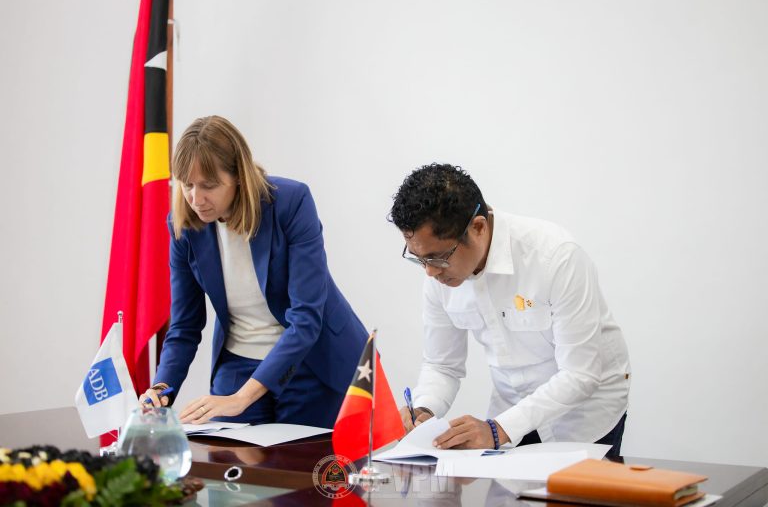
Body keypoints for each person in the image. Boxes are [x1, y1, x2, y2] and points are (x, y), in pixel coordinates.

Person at [139, 115, 367, 428]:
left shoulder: (292, 202)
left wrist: (241, 399)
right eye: (187, 185)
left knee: (304, 459)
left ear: (238, 175)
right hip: (238, 362)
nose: (195, 199)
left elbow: (306, 318)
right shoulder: (183, 226)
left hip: (312, 360)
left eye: (208, 186)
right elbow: (184, 326)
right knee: (226, 456)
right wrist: (161, 389)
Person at [390, 163, 631, 457]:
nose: (429, 272)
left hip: (584, 414)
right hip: (510, 410)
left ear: (478, 228)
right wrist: (424, 408)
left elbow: (579, 374)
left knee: (575, 488)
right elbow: (442, 365)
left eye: (437, 258)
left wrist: (497, 430)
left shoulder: (556, 256)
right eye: (419, 258)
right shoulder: (437, 273)